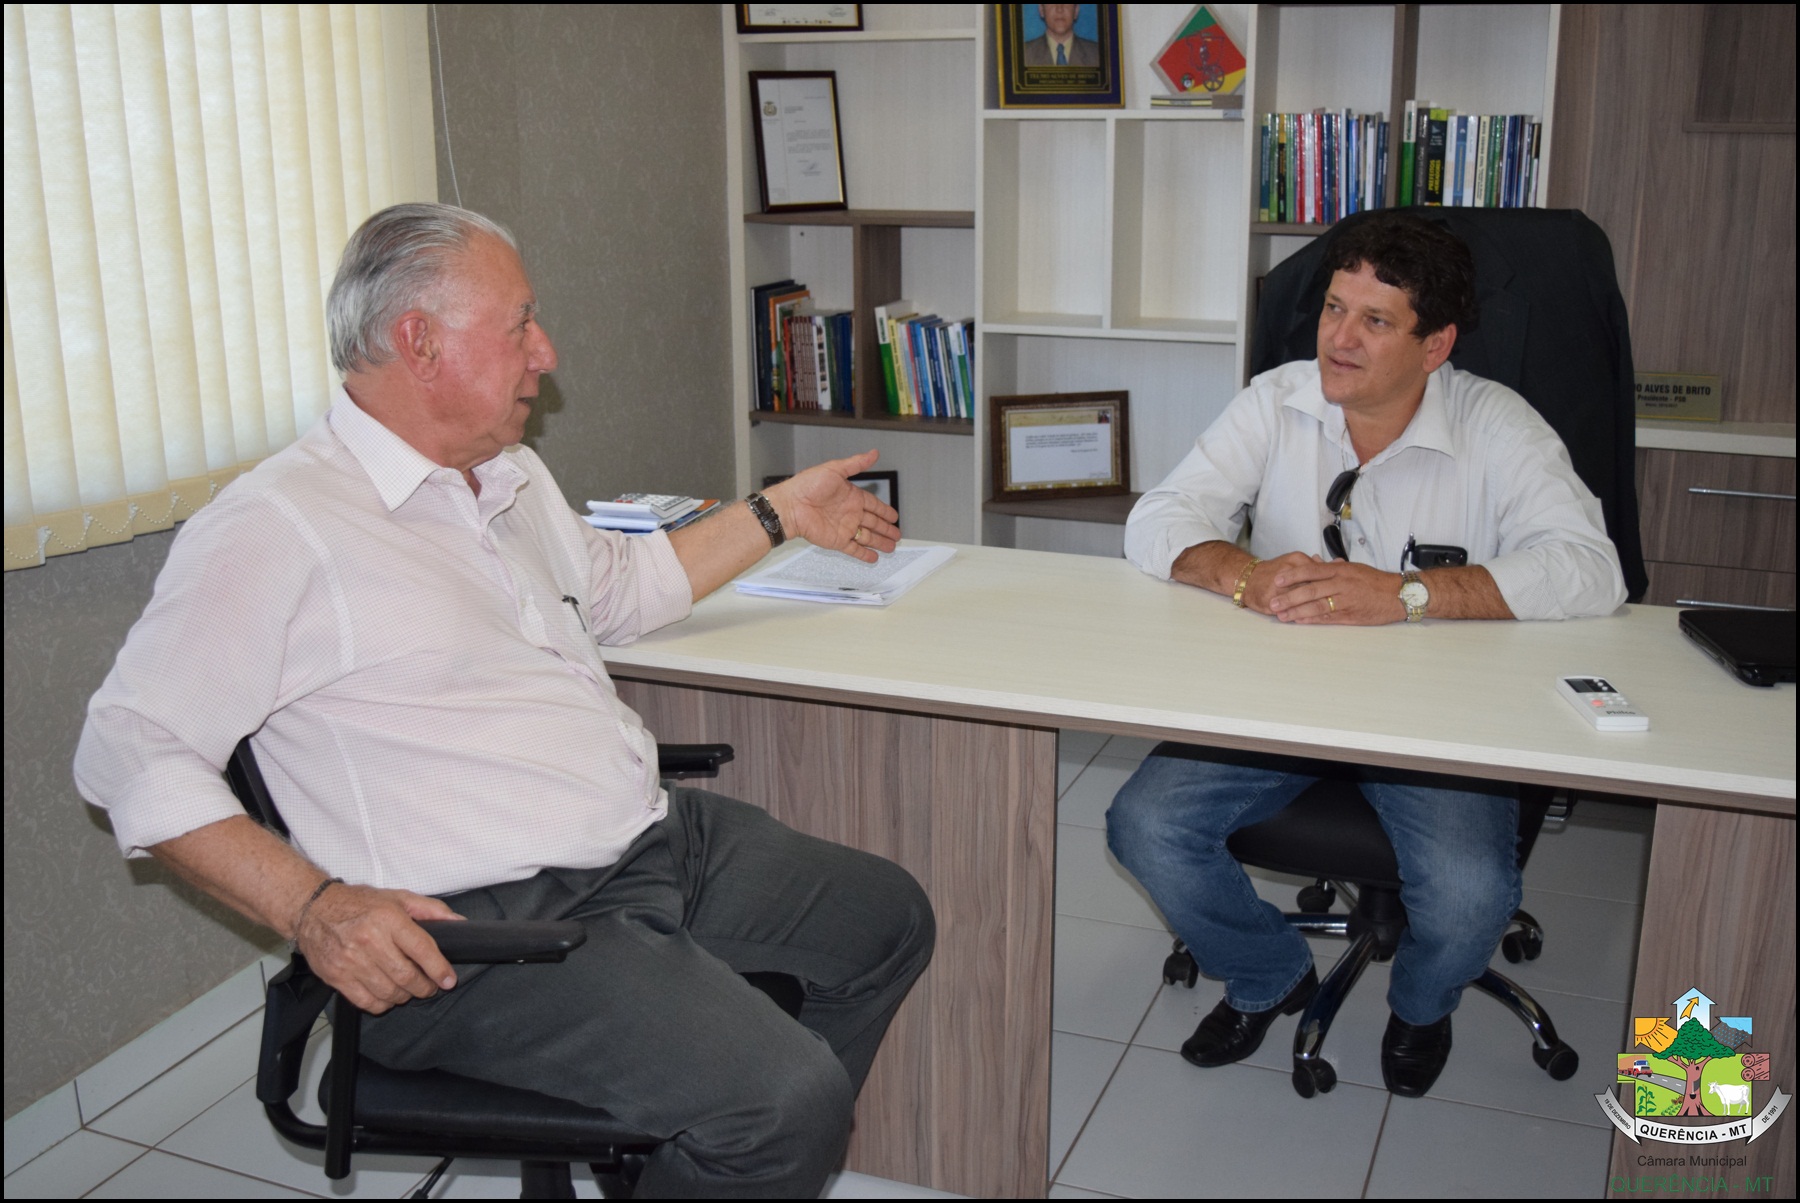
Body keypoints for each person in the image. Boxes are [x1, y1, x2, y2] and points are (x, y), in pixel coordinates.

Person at [74, 203, 934, 1197]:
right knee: (784, 1103)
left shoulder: (503, 472)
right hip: (479, 930)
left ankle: (689, 1155)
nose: (546, 352)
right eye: (519, 324)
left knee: (885, 918)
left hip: (641, 842)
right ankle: (738, 1138)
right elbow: (130, 748)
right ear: (417, 340)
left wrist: (780, 513)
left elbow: (615, 588)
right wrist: (313, 907)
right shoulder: (277, 527)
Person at [1107, 210, 1625, 1098]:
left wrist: (1408, 595)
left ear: (1437, 345)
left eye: (1374, 321)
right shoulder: (1277, 401)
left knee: (1467, 900)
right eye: (1334, 309)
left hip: (1438, 719)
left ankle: (1423, 1003)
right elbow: (1158, 519)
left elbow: (1591, 569)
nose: (1338, 340)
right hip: (1280, 700)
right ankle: (1270, 971)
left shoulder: (1498, 425)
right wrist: (1247, 577)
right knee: (1143, 825)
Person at [1023, 4, 1100, 67]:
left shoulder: (1098, 55)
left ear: (1076, 11)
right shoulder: (1023, 55)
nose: (1059, 9)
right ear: (1041, 10)